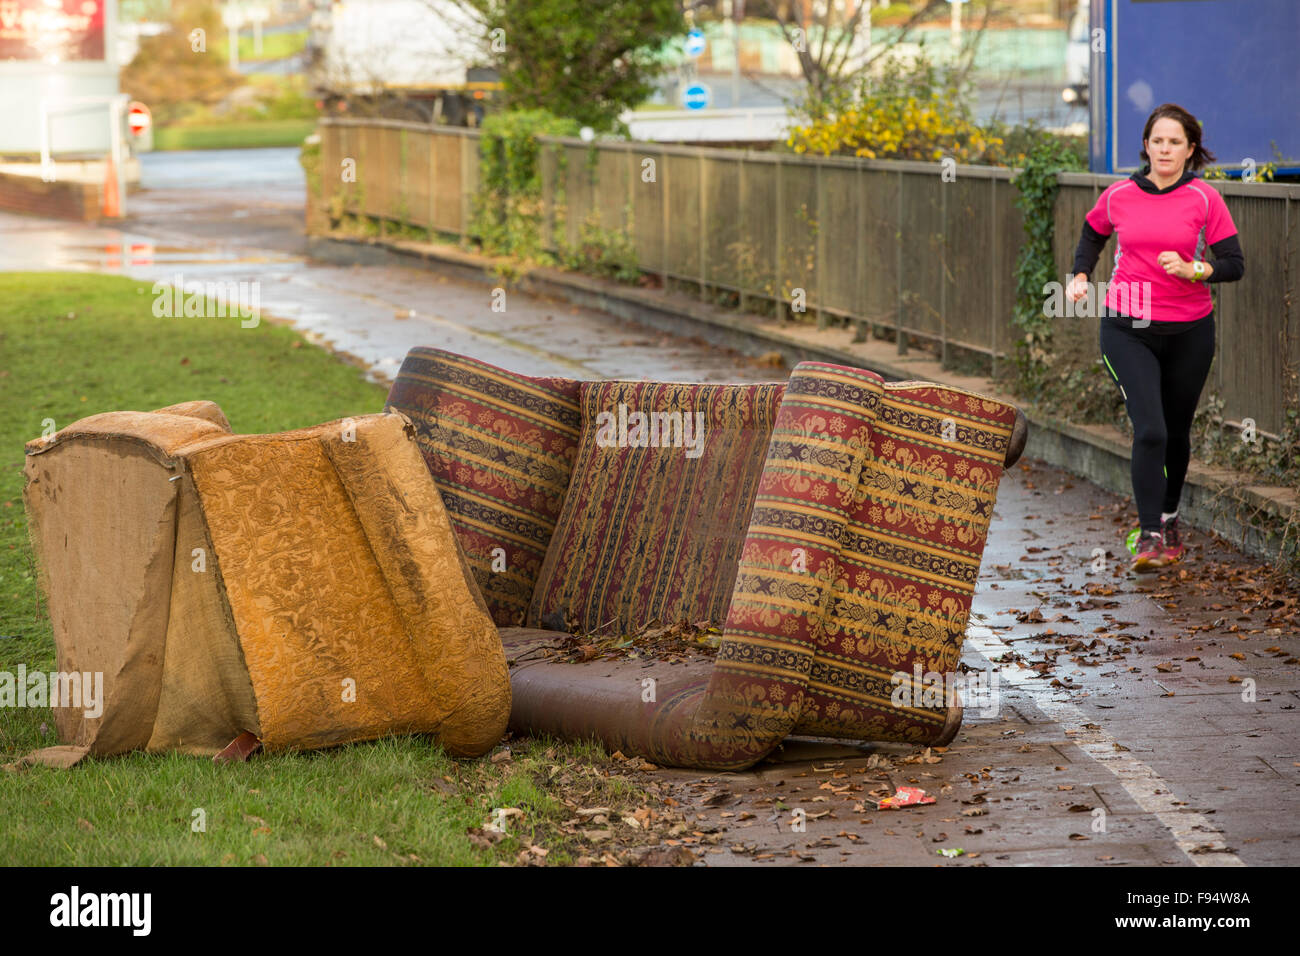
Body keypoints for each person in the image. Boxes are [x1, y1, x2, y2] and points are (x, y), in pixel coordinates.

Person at [1067, 103, 1244, 573]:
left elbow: (1234, 263)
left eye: (1175, 142)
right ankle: (1147, 535)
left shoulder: (1205, 199)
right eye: (1157, 140)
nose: (1165, 149)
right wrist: (1080, 274)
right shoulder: (1120, 195)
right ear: (1146, 146)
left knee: (1177, 433)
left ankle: (1169, 518)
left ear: (1190, 150)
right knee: (1151, 430)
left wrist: (1195, 269)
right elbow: (1092, 232)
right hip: (1129, 328)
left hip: (1190, 331)